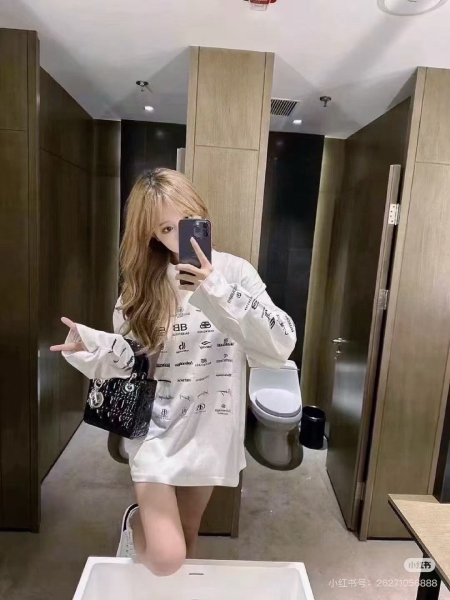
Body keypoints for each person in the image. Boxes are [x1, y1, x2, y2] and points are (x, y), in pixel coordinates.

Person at [50, 168, 296, 576]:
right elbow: (131, 361)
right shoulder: (143, 285)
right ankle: (135, 523)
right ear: (152, 236)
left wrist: (215, 288)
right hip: (156, 428)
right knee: (168, 556)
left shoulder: (236, 273)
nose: (180, 235)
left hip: (210, 428)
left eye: (187, 220)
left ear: (201, 215)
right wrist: (92, 347)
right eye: (167, 228)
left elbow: (280, 344)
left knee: (189, 531)